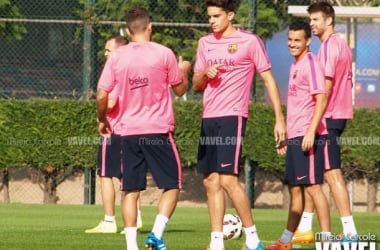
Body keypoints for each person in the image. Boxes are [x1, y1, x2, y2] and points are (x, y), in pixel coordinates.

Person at [192, 1, 286, 250]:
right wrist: (204, 74)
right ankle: (216, 243)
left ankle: (253, 240)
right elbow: (195, 84)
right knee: (210, 181)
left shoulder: (250, 41)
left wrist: (279, 118)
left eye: (217, 16)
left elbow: (268, 79)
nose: (212, 20)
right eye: (209, 16)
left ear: (230, 15)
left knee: (228, 180)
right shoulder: (205, 43)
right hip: (208, 117)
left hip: (232, 116)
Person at [96, 6, 191, 250]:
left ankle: (131, 246)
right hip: (157, 130)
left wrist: (102, 118)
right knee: (172, 185)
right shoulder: (164, 53)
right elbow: (180, 90)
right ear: (150, 27)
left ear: (128, 31)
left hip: (127, 133)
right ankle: (156, 234)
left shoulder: (117, 56)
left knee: (130, 189)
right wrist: (185, 72)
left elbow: (101, 95)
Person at [292, 2, 358, 244]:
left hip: (329, 116)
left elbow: (326, 87)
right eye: (310, 19)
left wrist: (313, 121)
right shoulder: (337, 44)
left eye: (316, 19)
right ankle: (307, 227)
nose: (312, 23)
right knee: (315, 172)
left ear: (329, 21)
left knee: (332, 173)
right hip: (332, 115)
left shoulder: (330, 46)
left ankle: (350, 233)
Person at [265, 20, 331, 250]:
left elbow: (321, 98)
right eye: (290, 40)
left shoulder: (311, 63)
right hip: (296, 135)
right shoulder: (295, 65)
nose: (293, 44)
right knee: (295, 187)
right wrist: (287, 136)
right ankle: (285, 242)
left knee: (313, 187)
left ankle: (327, 242)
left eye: (297, 40)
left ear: (307, 41)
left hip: (308, 135)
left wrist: (311, 132)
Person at [85, 34, 144, 234]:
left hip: (114, 129)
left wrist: (101, 111)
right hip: (134, 129)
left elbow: (110, 102)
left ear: (119, 52)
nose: (105, 53)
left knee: (105, 174)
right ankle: (136, 216)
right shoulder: (135, 70)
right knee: (128, 175)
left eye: (108, 50)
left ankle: (109, 221)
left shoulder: (117, 73)